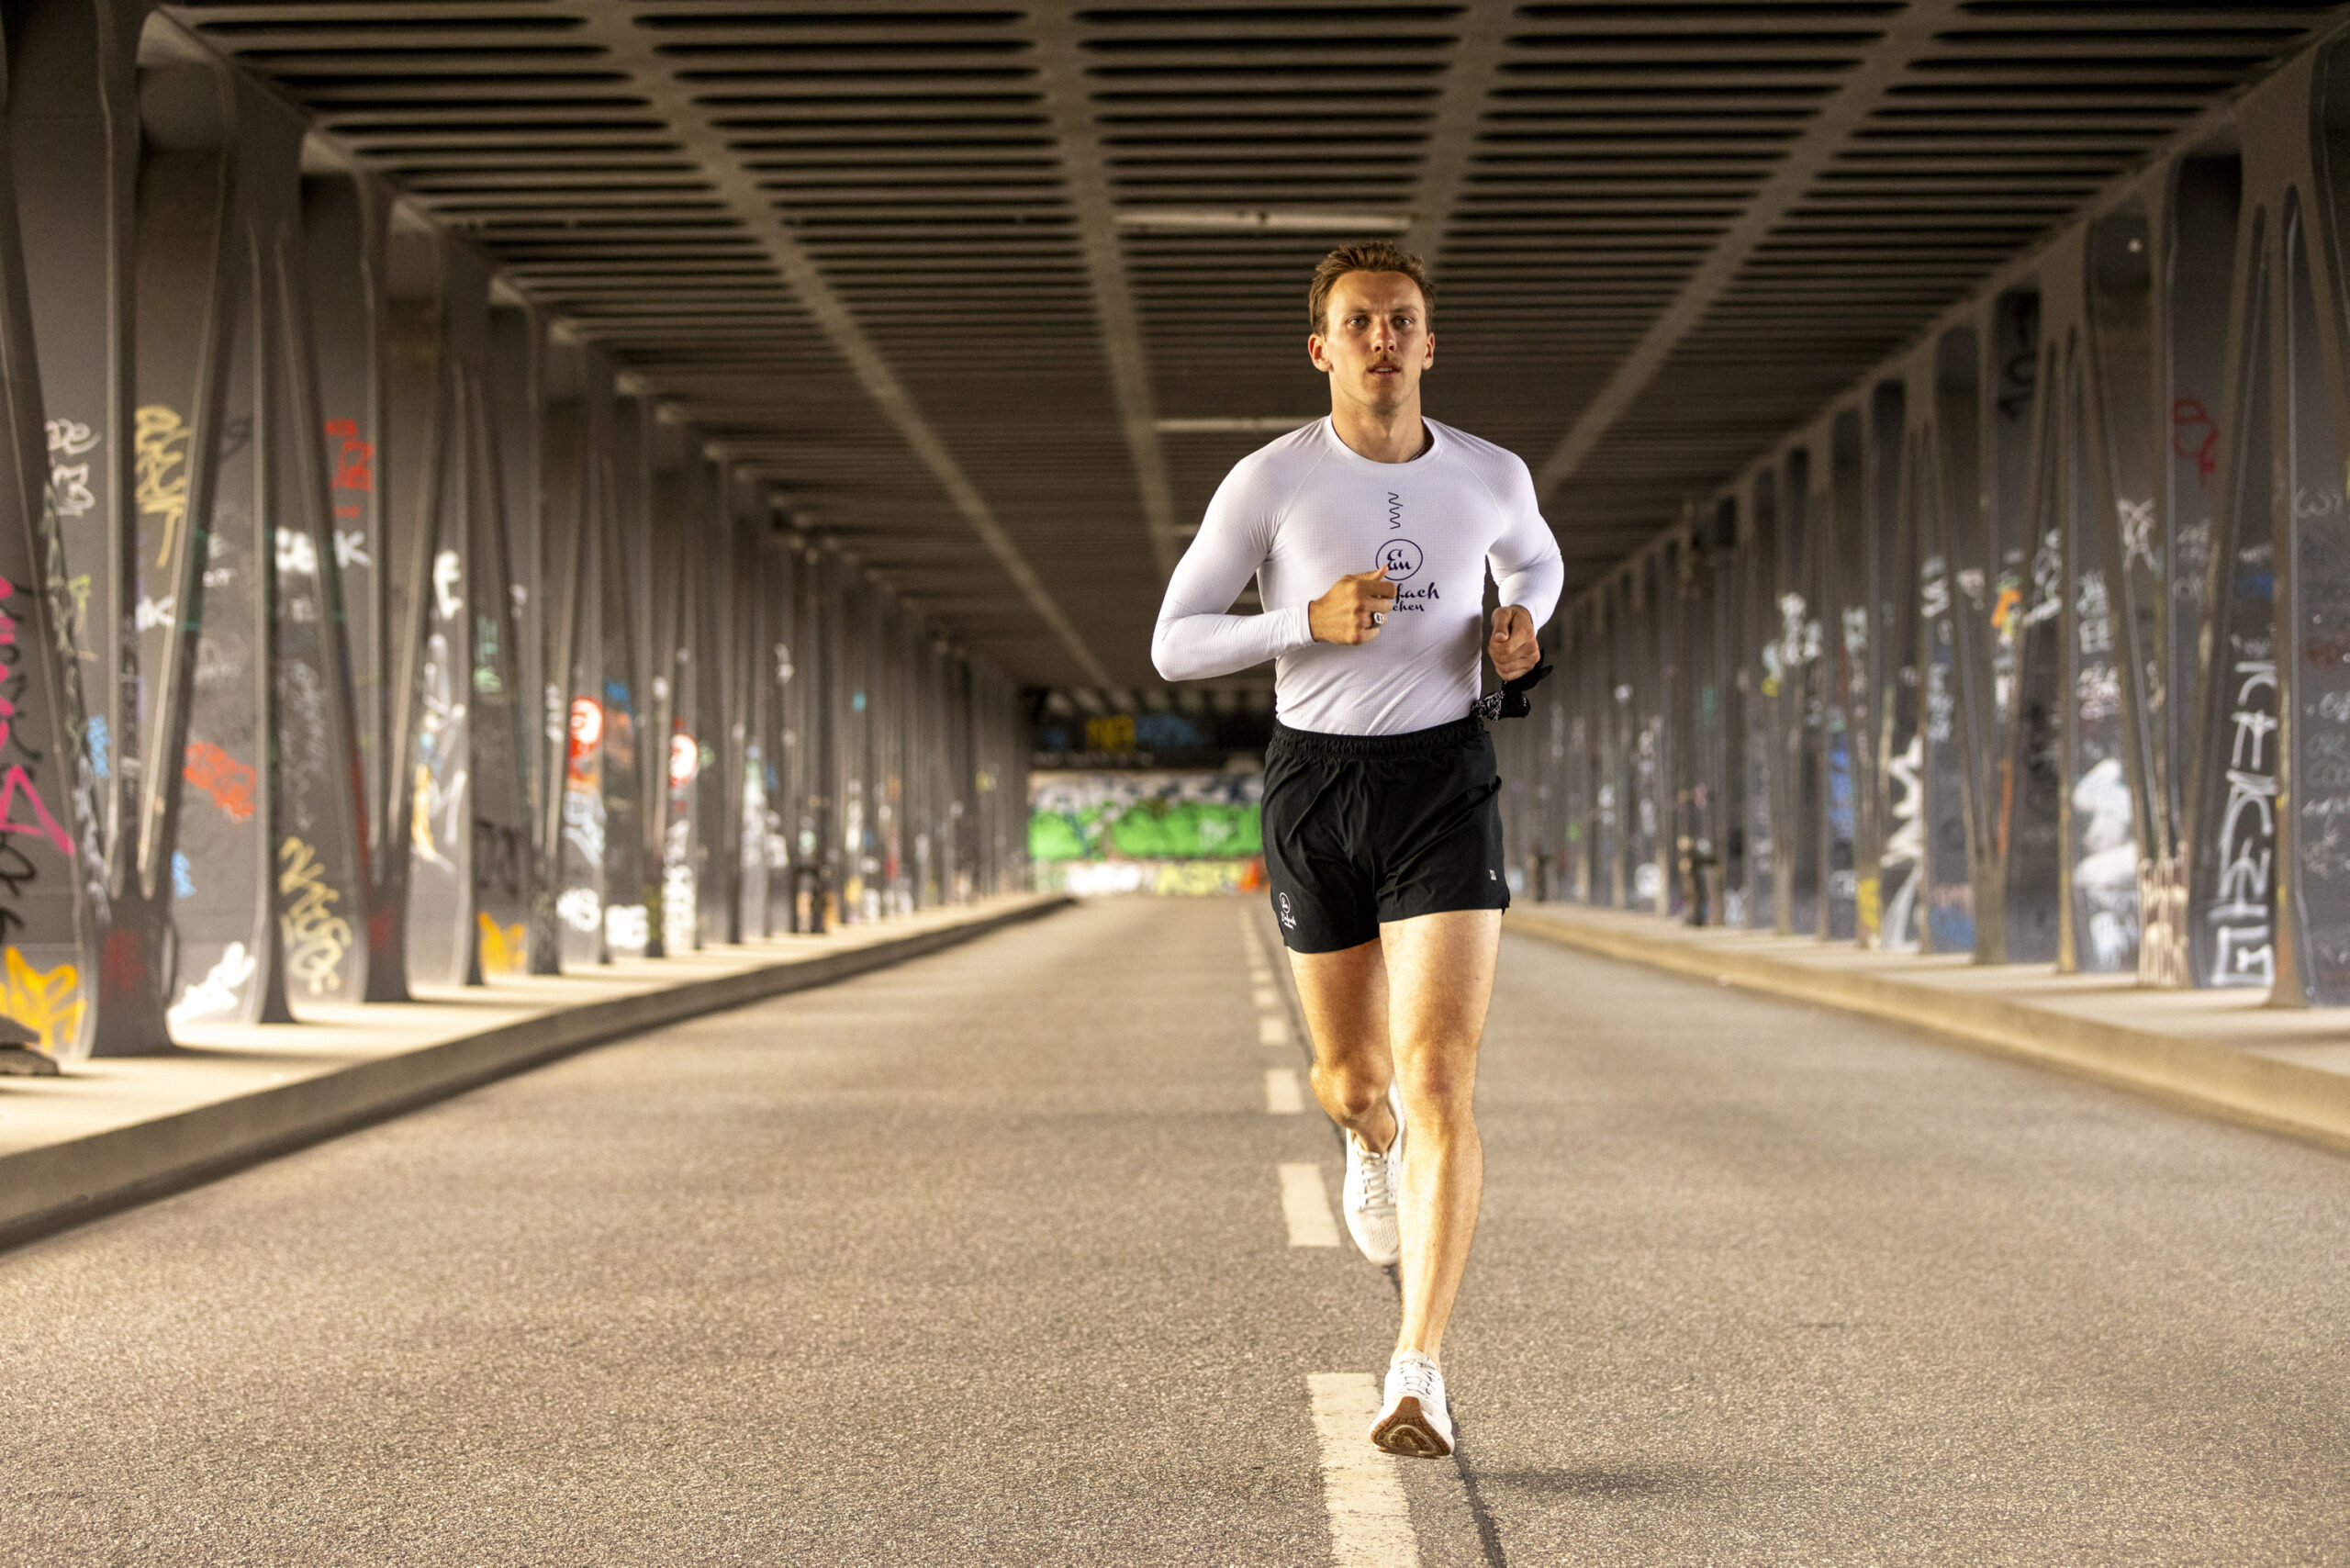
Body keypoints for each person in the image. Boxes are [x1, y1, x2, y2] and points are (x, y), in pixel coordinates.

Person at [1151, 240, 1562, 1458]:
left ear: (1431, 343)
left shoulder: (1491, 474)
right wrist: (1302, 622)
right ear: (1322, 347)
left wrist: (1523, 625)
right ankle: (1367, 1142)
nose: (1384, 341)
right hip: (1315, 785)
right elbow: (1176, 641)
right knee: (1357, 1081)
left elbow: (1532, 557)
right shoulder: (1270, 483)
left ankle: (1418, 1369)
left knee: (1440, 1077)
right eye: (1360, 323)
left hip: (1445, 779)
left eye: (1404, 321)